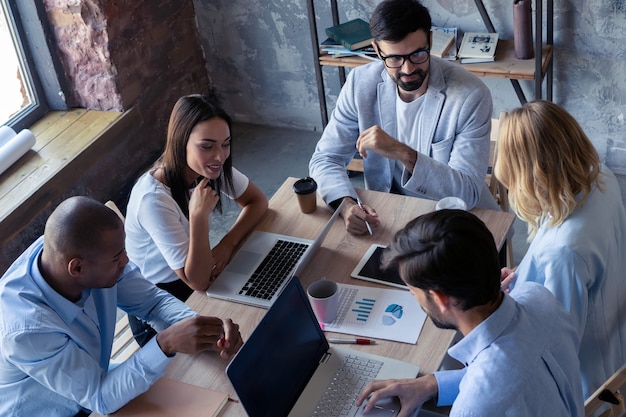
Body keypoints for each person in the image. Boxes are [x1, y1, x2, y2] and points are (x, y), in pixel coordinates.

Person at [0, 196, 243, 417]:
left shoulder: (75, 251)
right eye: (117, 257)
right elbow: (100, 398)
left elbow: (152, 302)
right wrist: (165, 343)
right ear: (77, 268)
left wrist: (206, 331)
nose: (126, 261)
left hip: (95, 384)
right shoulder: (26, 331)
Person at [356, 210, 584, 417]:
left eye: (413, 291)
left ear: (440, 299)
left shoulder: (472, 408)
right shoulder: (538, 296)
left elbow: (496, 384)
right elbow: (509, 373)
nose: (413, 297)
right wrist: (431, 383)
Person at [309, 0, 499, 236]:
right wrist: (346, 205)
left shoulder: (470, 96)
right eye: (395, 59)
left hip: (457, 223)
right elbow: (325, 159)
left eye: (418, 54)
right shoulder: (360, 84)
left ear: (430, 41)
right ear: (377, 50)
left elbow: (467, 192)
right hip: (389, 218)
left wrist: (401, 152)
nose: (408, 69)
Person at [495, 100, 626, 399]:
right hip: (615, 338)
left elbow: (555, 348)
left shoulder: (563, 253)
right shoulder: (597, 176)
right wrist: (526, 274)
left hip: (584, 384)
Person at [124, 94, 268, 345]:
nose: (219, 156)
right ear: (181, 143)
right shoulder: (154, 200)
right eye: (207, 146)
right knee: (247, 336)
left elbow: (258, 202)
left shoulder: (209, 167)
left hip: (193, 275)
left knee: (264, 304)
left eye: (226, 144)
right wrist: (198, 217)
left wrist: (226, 244)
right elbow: (198, 281)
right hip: (158, 307)